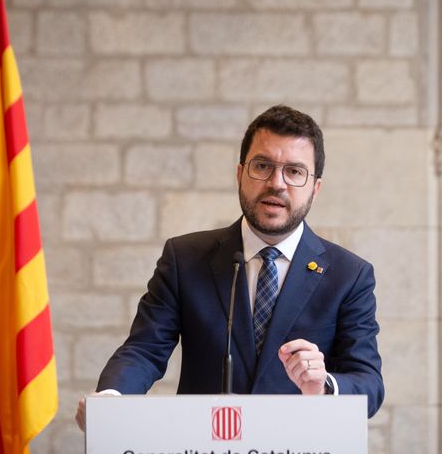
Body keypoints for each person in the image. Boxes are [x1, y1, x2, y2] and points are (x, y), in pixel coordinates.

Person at [75, 105, 383, 430]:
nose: (276, 183)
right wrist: (112, 399)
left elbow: (369, 384)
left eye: (294, 171)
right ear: (240, 175)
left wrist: (323, 386)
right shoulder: (184, 258)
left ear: (315, 188)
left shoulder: (349, 275)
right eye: (262, 165)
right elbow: (145, 348)